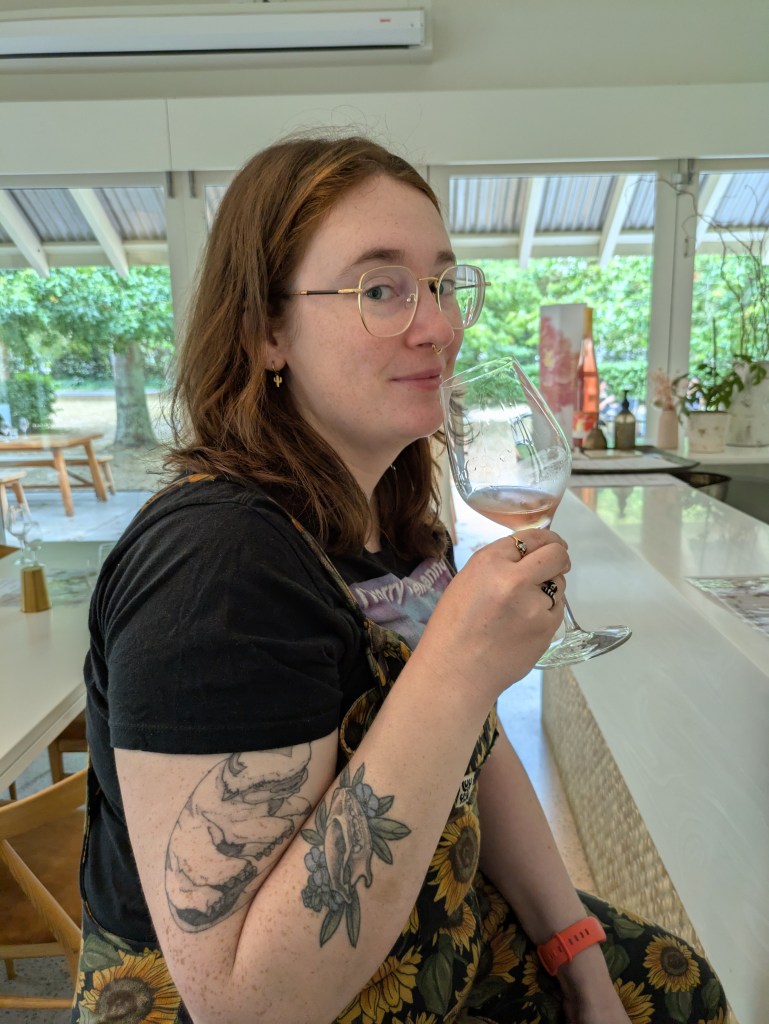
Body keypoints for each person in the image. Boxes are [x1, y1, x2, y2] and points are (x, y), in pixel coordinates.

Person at [72, 133, 727, 1024]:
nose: (441, 326)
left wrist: (575, 954)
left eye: (443, 284)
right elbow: (244, 1006)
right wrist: (456, 666)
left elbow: (474, 750)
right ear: (265, 332)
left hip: (432, 937)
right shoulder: (215, 573)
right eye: (380, 289)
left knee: (678, 986)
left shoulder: (392, 512)